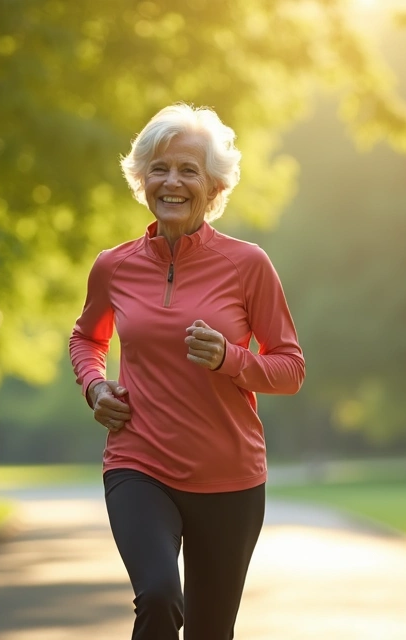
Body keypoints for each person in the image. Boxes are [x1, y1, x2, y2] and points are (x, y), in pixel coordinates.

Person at [68, 103, 305, 640]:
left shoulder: (248, 265)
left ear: (214, 185)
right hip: (139, 462)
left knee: (209, 633)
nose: (171, 181)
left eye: (188, 170)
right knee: (156, 596)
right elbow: (87, 337)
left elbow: (289, 368)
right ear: (142, 180)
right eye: (159, 168)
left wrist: (230, 358)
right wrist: (95, 385)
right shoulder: (114, 265)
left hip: (229, 477)